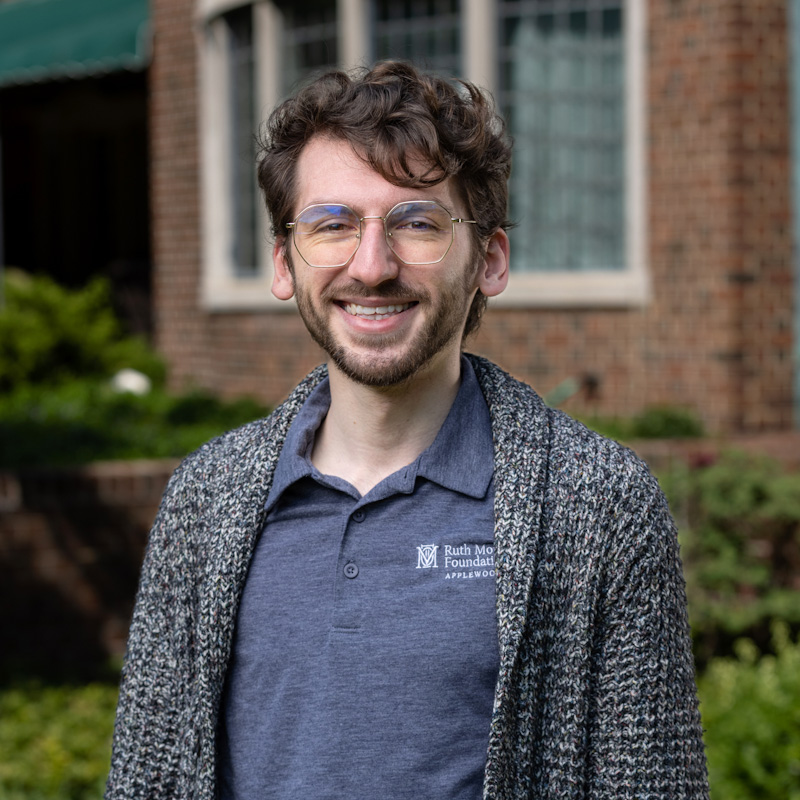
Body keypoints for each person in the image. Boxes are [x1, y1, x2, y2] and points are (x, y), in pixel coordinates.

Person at [105, 61, 708, 800]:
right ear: (283, 262)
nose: (372, 265)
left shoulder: (600, 508)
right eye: (331, 225)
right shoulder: (205, 503)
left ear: (488, 259)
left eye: (416, 222)